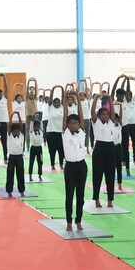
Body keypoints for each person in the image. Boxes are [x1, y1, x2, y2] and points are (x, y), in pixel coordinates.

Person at [62, 97, 87, 231]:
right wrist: (65, 100)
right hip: (70, 166)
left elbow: (81, 115)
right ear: (67, 125)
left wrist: (78, 96)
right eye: (70, 123)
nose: (73, 125)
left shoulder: (82, 132)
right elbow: (65, 114)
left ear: (79, 124)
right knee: (69, 195)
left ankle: (78, 220)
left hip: (81, 166)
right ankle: (68, 221)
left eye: (75, 123)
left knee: (80, 195)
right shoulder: (65, 133)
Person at [91, 92, 119, 208]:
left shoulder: (111, 122)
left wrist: (110, 99)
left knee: (110, 175)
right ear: (98, 116)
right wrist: (96, 98)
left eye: (107, 115)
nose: (106, 116)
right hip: (99, 148)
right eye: (103, 114)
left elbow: (112, 111)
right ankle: (96, 198)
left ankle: (110, 200)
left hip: (110, 149)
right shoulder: (96, 122)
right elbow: (92, 111)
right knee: (97, 175)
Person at [4, 122, 26, 198]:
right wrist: (12, 116)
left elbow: (21, 126)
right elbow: (9, 126)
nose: (17, 133)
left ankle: (22, 191)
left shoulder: (21, 136)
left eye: (18, 131)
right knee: (10, 174)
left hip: (19, 157)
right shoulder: (9, 136)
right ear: (12, 131)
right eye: (15, 131)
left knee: (20, 174)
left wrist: (19, 116)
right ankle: (9, 191)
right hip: (12, 157)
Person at [44, 92, 64, 170]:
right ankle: (52, 164)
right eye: (55, 102)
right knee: (52, 150)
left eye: (58, 102)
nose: (56, 104)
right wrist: (53, 89)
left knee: (61, 150)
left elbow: (63, 97)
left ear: (60, 103)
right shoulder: (50, 107)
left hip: (60, 132)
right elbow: (51, 98)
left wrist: (62, 89)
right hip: (51, 132)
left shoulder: (62, 107)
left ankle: (61, 164)